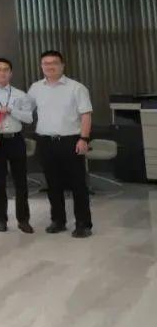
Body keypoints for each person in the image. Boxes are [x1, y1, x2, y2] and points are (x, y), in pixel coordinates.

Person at [29, 50, 93, 238]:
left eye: (54, 63)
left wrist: (84, 139)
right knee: (52, 184)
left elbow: (86, 114)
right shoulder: (36, 88)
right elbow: (24, 109)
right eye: (46, 63)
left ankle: (83, 224)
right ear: (41, 66)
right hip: (45, 142)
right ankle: (58, 220)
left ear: (62, 65)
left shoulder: (76, 88)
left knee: (78, 184)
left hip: (71, 141)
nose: (50, 66)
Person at [0, 57, 35, 233]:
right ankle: (1, 219)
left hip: (16, 139)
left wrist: (11, 110)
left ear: (11, 73)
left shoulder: (20, 94)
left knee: (21, 181)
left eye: (5, 69)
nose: (2, 73)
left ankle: (23, 220)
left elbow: (29, 118)